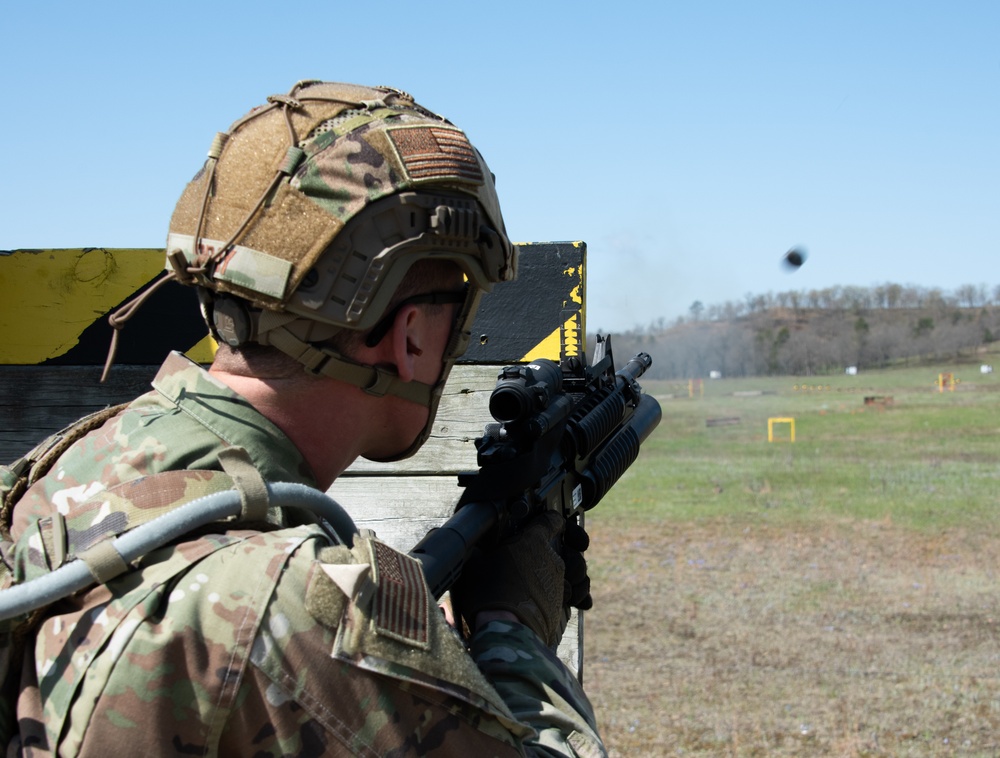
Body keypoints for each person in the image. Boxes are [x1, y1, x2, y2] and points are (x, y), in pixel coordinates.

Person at [0, 81, 605, 756]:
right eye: (455, 310)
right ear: (409, 338)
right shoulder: (297, 609)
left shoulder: (67, 466)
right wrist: (511, 627)